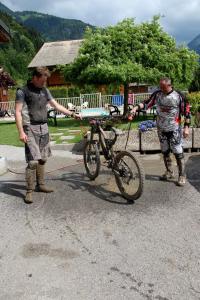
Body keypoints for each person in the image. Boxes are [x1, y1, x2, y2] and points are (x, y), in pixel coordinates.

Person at [15, 67, 81, 204]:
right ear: (35, 77)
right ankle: (29, 190)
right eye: (42, 81)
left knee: (43, 159)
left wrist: (73, 114)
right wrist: (21, 131)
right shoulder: (22, 91)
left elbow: (56, 105)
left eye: (45, 81)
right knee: (32, 161)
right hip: (30, 128)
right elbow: (18, 112)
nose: (44, 83)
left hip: (44, 127)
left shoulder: (45, 90)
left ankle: (41, 185)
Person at [130, 77, 191, 186]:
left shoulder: (178, 96)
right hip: (161, 129)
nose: (160, 88)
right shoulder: (157, 94)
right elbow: (146, 103)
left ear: (169, 85)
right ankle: (169, 171)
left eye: (162, 87)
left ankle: (182, 175)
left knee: (178, 152)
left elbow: (187, 113)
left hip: (174, 129)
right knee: (165, 151)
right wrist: (135, 108)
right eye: (160, 86)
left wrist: (186, 127)